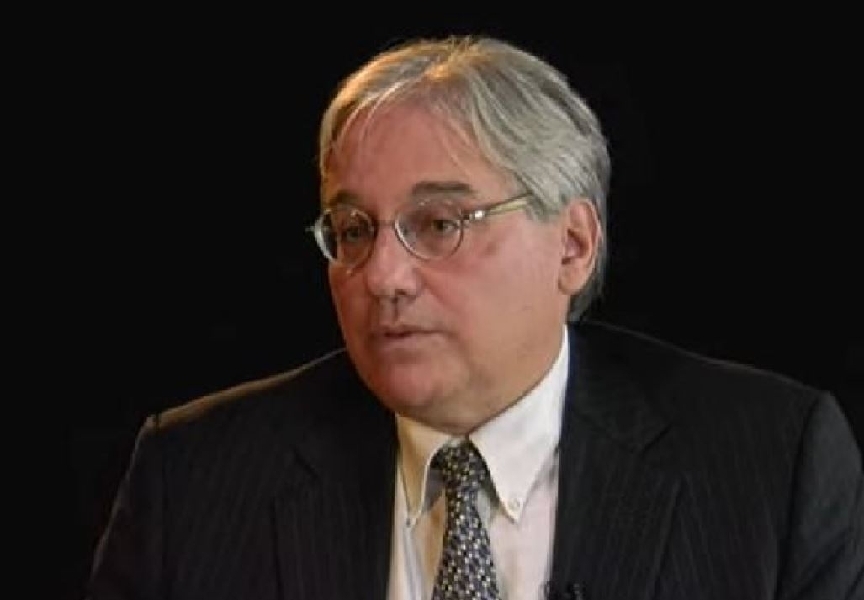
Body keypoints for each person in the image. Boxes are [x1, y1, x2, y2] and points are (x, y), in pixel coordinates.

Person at [87, 35, 862, 600]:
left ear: (572, 244)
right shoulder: (195, 478)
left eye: (439, 224)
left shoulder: (771, 468)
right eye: (353, 231)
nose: (382, 277)